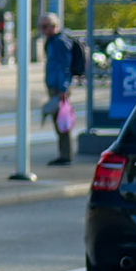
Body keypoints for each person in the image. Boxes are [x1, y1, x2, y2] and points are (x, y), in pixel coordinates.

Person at [40, 12, 82, 166]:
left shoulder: (60, 42)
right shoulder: (52, 41)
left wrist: (63, 88)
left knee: (62, 121)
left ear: (54, 26)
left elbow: (64, 67)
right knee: (59, 120)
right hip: (55, 86)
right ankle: (64, 154)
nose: (42, 30)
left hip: (59, 88)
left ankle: (66, 155)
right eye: (41, 27)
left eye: (45, 26)